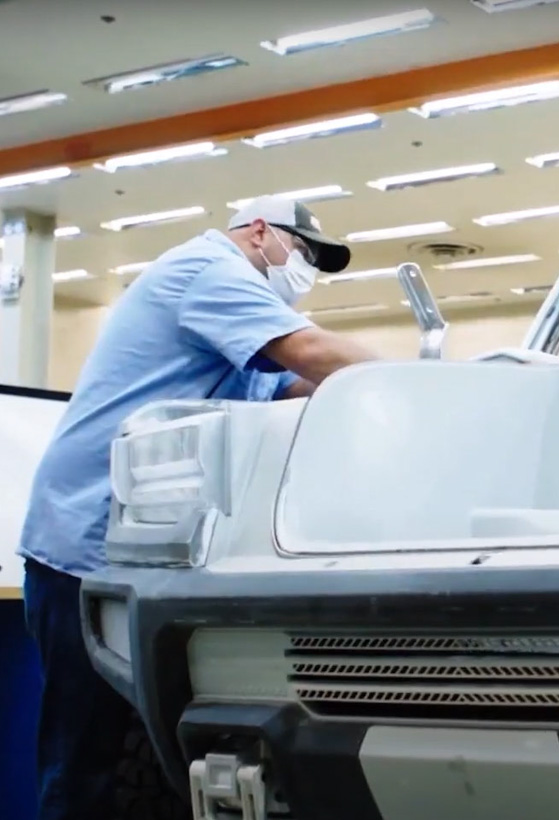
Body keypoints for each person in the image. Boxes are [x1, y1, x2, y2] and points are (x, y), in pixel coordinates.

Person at [19, 195, 382, 820]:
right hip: (84, 549)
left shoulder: (241, 319)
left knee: (149, 755)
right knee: (86, 756)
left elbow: (296, 385)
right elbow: (310, 352)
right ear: (260, 231)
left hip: (151, 556)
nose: (304, 270)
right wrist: (423, 375)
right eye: (302, 251)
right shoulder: (209, 272)